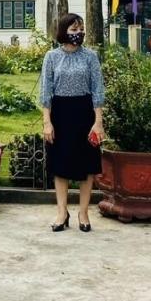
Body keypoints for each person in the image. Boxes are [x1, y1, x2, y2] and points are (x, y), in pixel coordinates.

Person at [39, 13, 105, 233]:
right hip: (60, 114)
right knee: (61, 166)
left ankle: (83, 212)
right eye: (73, 29)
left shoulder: (90, 57)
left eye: (81, 29)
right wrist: (47, 122)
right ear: (63, 31)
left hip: (84, 113)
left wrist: (98, 122)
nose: (78, 34)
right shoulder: (51, 57)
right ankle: (62, 211)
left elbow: (97, 90)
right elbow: (46, 92)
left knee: (87, 166)